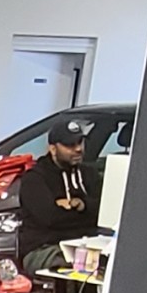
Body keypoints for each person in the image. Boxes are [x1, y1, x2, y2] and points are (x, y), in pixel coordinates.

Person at [18, 116, 103, 274]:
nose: (78, 149)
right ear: (53, 149)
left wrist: (82, 205)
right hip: (44, 248)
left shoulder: (89, 174)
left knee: (108, 260)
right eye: (70, 145)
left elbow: (105, 212)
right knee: (78, 263)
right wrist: (85, 215)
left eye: (80, 142)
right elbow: (50, 218)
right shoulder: (35, 178)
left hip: (87, 245)